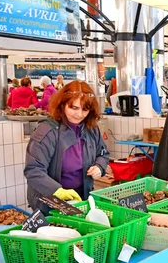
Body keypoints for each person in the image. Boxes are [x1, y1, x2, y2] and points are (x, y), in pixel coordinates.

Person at [24, 81, 110, 214]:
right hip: (48, 204)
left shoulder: (91, 129)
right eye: (74, 108)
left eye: (85, 109)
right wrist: (56, 191)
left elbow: (103, 153)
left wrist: (99, 166)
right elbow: (33, 170)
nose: (79, 114)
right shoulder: (46, 131)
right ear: (62, 104)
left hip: (80, 200)